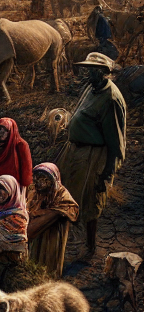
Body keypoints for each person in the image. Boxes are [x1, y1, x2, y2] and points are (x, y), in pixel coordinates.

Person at [54, 52, 127, 260]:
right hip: (76, 151)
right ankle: (67, 239)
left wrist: (107, 174)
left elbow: (116, 142)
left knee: (90, 201)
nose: (89, 73)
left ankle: (90, 247)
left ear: (104, 73)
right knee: (66, 194)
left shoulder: (110, 99)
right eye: (88, 69)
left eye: (93, 70)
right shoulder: (92, 88)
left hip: (93, 155)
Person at [26, 163, 79, 278]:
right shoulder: (33, 190)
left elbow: (72, 209)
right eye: (37, 178)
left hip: (52, 235)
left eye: (45, 179)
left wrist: (53, 213)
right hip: (36, 234)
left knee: (49, 261)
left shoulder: (61, 194)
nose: (40, 182)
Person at [0, 117, 32, 191]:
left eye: (4, 131)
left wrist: (23, 190)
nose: (0, 134)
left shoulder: (21, 145)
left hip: (14, 189)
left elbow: (26, 173)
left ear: (11, 132)